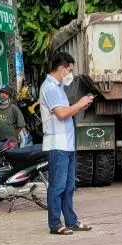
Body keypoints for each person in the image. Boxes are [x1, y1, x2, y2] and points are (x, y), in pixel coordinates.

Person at [39, 50, 95, 235]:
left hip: (68, 144)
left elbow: (67, 110)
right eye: (69, 70)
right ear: (62, 69)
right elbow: (62, 113)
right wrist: (80, 104)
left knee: (69, 186)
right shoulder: (49, 87)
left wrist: (80, 105)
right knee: (58, 186)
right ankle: (55, 224)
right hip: (57, 145)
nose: (70, 74)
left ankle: (71, 220)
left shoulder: (59, 88)